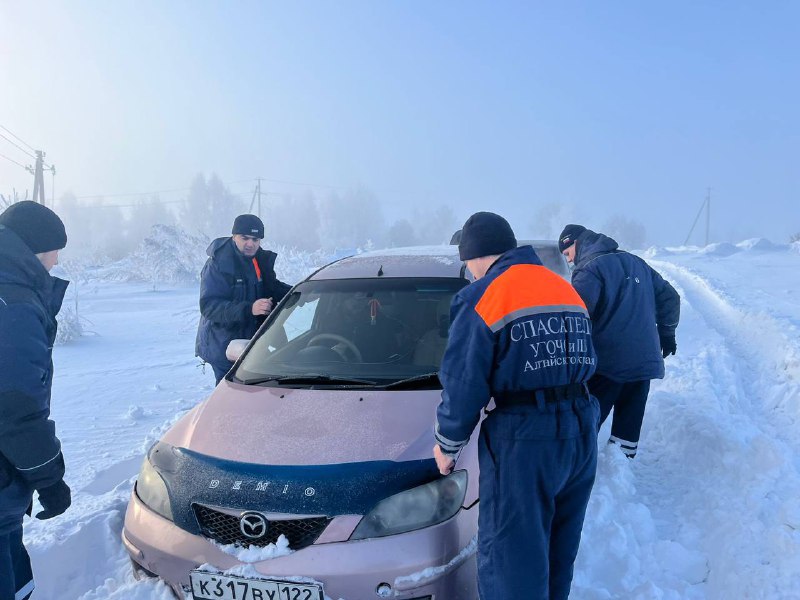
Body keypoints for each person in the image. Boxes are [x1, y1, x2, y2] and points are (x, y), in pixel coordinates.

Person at [434, 212, 600, 600]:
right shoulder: (562, 287)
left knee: (513, 562)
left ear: (475, 256)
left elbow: (463, 381)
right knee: (557, 553)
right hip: (580, 431)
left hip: (526, 439)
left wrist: (447, 445)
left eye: (467, 263)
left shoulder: (483, 295)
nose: (470, 272)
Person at [558, 224, 680, 458]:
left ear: (574, 243)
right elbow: (670, 297)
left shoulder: (589, 270)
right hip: (643, 364)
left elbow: (578, 317)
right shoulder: (637, 262)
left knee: (586, 426)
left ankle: (580, 472)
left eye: (567, 254)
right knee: (627, 434)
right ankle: (621, 472)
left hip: (608, 365)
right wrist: (667, 333)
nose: (569, 261)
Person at [0, 201, 72, 600]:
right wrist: (50, 480)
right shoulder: (13, 304)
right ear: (34, 248)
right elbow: (15, 411)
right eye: (55, 248)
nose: (58, 258)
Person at [195, 214, 292, 384]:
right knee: (230, 398)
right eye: (244, 238)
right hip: (223, 346)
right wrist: (250, 309)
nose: (250, 244)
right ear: (234, 236)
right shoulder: (218, 264)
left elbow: (272, 287)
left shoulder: (258, 260)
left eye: (255, 239)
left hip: (251, 344)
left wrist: (299, 292)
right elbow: (210, 306)